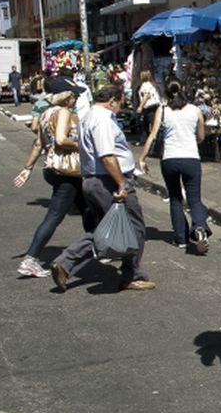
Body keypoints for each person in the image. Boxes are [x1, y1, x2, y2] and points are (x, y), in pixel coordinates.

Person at [50, 86, 155, 292]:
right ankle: (130, 274)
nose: (121, 106)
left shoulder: (88, 117)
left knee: (104, 229)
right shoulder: (103, 120)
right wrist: (121, 183)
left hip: (93, 180)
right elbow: (107, 155)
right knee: (134, 227)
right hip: (107, 181)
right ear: (112, 100)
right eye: (121, 102)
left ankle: (65, 263)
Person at [13, 89, 94, 278]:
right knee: (55, 215)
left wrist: (27, 168)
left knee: (87, 208)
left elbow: (38, 144)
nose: (75, 100)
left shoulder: (45, 114)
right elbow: (60, 139)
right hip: (67, 170)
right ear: (66, 98)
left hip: (54, 168)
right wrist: (84, 144)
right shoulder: (64, 112)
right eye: (73, 96)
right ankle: (30, 258)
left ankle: (97, 246)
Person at [138, 81, 209, 253]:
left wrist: (141, 158)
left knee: (175, 198)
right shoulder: (195, 110)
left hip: (169, 159)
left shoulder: (162, 110)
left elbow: (153, 136)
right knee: (194, 198)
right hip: (191, 158)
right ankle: (199, 226)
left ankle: (181, 238)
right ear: (184, 90)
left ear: (167, 94)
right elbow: (201, 137)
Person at [137, 70, 161, 146]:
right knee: (148, 123)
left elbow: (146, 96)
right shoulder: (152, 84)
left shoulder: (145, 85)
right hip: (155, 105)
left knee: (148, 124)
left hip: (149, 106)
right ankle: (146, 140)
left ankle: (150, 141)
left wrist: (140, 106)